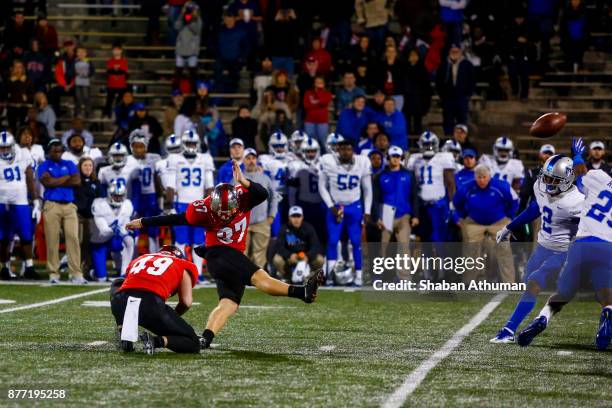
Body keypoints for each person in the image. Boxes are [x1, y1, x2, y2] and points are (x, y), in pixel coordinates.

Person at [125, 161, 323, 349]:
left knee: (229, 304)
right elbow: (174, 218)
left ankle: (206, 338)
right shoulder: (202, 209)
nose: (226, 215)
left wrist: (244, 180)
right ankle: (302, 292)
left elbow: (263, 193)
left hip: (222, 261)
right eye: (222, 211)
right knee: (259, 276)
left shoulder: (242, 196)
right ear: (212, 204)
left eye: (230, 211)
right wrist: (143, 222)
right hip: (220, 253)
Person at [517, 139, 612, 349]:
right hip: (607, 246)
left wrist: (577, 154)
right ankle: (608, 311)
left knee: (563, 295)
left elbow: (580, 173)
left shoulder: (600, 177)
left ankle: (542, 318)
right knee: (606, 293)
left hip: (582, 243)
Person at [491, 155, 584, 343]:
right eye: (546, 177)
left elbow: (585, 229)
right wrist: (509, 227)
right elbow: (535, 209)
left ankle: (510, 329)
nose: (547, 183)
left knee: (534, 282)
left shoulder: (577, 201)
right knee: (529, 283)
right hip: (542, 246)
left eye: (553, 180)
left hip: (562, 251)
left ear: (566, 180)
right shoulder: (540, 185)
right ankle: (523, 323)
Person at [110, 245, 201, 354]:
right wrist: (173, 317)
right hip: (150, 304)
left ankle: (123, 331)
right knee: (194, 343)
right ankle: (155, 341)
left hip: (120, 301)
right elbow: (186, 302)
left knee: (117, 283)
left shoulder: (140, 259)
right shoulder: (182, 264)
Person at [318, 139, 372, 286]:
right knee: (332, 241)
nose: (346, 152)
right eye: (342, 149)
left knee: (356, 242)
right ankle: (329, 275)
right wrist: (330, 206)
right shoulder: (328, 162)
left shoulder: (362, 162)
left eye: (348, 149)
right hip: (337, 207)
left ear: (353, 150)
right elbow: (321, 186)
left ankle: (359, 275)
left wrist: (367, 210)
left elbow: (367, 189)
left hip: (355, 206)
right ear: (338, 151)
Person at [453, 164, 517, 283]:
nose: (482, 180)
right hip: (474, 222)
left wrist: (509, 216)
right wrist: (463, 216)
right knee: (470, 252)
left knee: (504, 251)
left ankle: (509, 283)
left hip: (498, 221)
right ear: (475, 177)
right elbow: (456, 203)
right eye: (479, 177)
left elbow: (514, 200)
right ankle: (468, 283)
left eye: (484, 177)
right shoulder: (466, 187)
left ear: (489, 176)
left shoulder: (501, 185)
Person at [163, 131, 215, 277]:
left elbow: (209, 187)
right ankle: (181, 272)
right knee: (180, 240)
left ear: (197, 144)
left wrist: (209, 206)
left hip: (199, 205)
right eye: (188, 143)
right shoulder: (175, 159)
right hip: (181, 205)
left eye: (193, 143)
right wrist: (169, 206)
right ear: (183, 144)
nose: (191, 146)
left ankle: (197, 273)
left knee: (198, 241)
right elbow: (171, 186)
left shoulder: (205, 159)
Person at [38, 139, 85, 284]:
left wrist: (56, 180)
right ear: (49, 151)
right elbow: (47, 182)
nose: (57, 153)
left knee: (73, 238)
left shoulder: (69, 164)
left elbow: (77, 181)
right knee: (52, 240)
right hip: (52, 205)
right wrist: (66, 178)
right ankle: (53, 273)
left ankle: (76, 273)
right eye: (54, 151)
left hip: (69, 205)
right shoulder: (44, 165)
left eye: (59, 151)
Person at [0, 131, 40, 280]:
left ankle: (29, 267)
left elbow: (30, 177)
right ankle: (4, 267)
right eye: (1, 148)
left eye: (6, 147)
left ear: (13, 145)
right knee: (4, 237)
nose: (4, 150)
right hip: (2, 201)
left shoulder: (22, 153)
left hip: (21, 201)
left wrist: (35, 200)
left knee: (26, 235)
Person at [405, 131, 457, 244]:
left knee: (439, 238)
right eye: (426, 144)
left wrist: (452, 203)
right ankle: (427, 262)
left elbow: (450, 182)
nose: (429, 147)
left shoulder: (443, 158)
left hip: (438, 205)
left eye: (431, 144)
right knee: (425, 239)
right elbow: (411, 185)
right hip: (421, 205)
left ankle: (441, 261)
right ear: (420, 145)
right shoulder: (414, 159)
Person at [376, 146, 419, 245]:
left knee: (404, 249)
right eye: (393, 156)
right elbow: (376, 198)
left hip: (404, 214)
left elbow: (414, 196)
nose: (395, 159)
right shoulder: (380, 176)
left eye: (398, 156)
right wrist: (377, 217)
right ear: (388, 158)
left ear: (401, 158)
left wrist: (415, 215)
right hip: (385, 214)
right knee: (384, 248)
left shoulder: (409, 175)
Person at [242, 148, 278, 267]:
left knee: (260, 256)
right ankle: (243, 280)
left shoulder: (265, 178)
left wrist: (271, 215)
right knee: (242, 254)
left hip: (261, 221)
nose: (251, 161)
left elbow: (274, 197)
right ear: (243, 160)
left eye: (253, 158)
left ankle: (259, 281)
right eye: (248, 158)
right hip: (243, 222)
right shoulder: (237, 178)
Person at [128, 130, 162, 253]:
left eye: (141, 146)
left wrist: (160, 199)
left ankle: (154, 256)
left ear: (146, 147)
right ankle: (133, 258)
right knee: (133, 229)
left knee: (153, 229)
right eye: (135, 147)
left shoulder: (155, 158)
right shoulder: (127, 160)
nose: (138, 150)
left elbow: (158, 181)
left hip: (150, 198)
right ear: (131, 147)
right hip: (133, 198)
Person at [287, 137, 326, 243]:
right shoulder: (296, 166)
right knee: (303, 233)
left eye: (313, 151)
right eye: (308, 151)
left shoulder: (323, 164)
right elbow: (292, 191)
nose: (311, 154)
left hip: (320, 205)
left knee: (321, 233)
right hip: (304, 204)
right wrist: (292, 207)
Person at [273, 205, 324, 282]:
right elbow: (279, 246)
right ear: (289, 218)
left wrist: (308, 256)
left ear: (302, 217)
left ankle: (310, 276)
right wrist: (289, 255)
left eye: (298, 216)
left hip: (306, 257)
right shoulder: (284, 228)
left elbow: (315, 245)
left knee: (320, 259)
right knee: (277, 259)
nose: (296, 219)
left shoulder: (308, 228)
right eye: (293, 216)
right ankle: (287, 277)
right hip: (291, 257)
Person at [435, 45, 475, 136]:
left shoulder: (467, 65)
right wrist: (443, 96)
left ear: (460, 52)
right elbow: (439, 82)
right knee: (448, 123)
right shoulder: (444, 65)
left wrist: (467, 95)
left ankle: (462, 143)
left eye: (456, 52)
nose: (454, 54)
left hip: (462, 99)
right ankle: (448, 142)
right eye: (452, 52)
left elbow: (471, 81)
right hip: (448, 100)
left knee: (462, 123)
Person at [74, 157, 101, 277]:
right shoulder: (75, 182)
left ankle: (88, 268)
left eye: (90, 165)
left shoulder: (96, 182)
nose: (88, 168)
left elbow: (101, 200)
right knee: (78, 242)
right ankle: (76, 268)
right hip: (78, 216)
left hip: (92, 218)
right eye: (85, 165)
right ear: (80, 167)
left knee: (89, 243)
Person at [214, 10, 247, 93]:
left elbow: (246, 47)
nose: (229, 22)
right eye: (227, 20)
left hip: (235, 61)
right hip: (221, 60)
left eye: (231, 20)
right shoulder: (219, 31)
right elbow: (213, 45)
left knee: (233, 81)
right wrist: (218, 56)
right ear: (224, 20)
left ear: (234, 19)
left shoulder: (241, 32)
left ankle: (231, 97)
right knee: (219, 78)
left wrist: (241, 58)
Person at [402, 49, 432, 135]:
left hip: (418, 102)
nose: (413, 57)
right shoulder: (404, 69)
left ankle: (416, 145)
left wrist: (425, 104)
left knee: (417, 125)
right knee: (406, 124)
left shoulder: (423, 70)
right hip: (406, 102)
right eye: (411, 55)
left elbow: (427, 89)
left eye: (415, 55)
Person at [174, 1, 202, 86]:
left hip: (192, 51)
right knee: (178, 74)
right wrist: (182, 16)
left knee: (193, 75)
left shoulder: (198, 19)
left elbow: (197, 30)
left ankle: (194, 93)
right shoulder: (181, 18)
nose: (189, 10)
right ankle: (176, 92)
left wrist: (190, 20)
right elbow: (176, 27)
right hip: (181, 50)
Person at [303, 75, 332, 148]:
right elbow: (306, 106)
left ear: (324, 84)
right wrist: (318, 105)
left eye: (321, 82)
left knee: (323, 141)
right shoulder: (308, 93)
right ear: (314, 83)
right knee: (309, 142)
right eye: (317, 82)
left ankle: (324, 156)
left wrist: (319, 91)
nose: (319, 84)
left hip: (322, 121)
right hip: (309, 121)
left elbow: (324, 102)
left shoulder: (327, 93)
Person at [6, 60, 34, 133]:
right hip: (12, 106)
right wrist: (13, 81)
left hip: (24, 107)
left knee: (23, 125)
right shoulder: (8, 80)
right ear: (13, 68)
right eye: (16, 67)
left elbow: (31, 94)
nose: (18, 69)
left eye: (20, 67)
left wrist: (26, 97)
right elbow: (5, 93)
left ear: (23, 69)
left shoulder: (27, 80)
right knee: (12, 123)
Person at [50, 40, 77, 115]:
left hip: (74, 85)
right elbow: (58, 74)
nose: (68, 48)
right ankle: (56, 112)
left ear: (73, 46)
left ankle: (77, 113)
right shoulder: (60, 59)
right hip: (63, 85)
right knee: (53, 91)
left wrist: (71, 85)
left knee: (78, 91)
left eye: (70, 46)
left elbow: (78, 74)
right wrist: (64, 85)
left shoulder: (77, 58)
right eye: (66, 46)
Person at [104, 43, 129, 117]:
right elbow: (109, 71)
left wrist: (115, 71)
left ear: (121, 51)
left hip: (121, 85)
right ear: (112, 51)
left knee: (120, 102)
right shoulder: (109, 61)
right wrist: (118, 71)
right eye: (114, 50)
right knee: (109, 101)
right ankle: (108, 114)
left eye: (118, 50)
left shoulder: (124, 61)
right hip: (111, 84)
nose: (116, 51)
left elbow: (124, 72)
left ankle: (119, 115)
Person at [74, 46, 95, 118]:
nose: (81, 54)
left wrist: (87, 74)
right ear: (77, 53)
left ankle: (88, 112)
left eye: (83, 52)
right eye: (79, 52)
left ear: (86, 53)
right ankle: (78, 113)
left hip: (86, 83)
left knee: (86, 98)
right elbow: (73, 71)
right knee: (78, 98)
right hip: (77, 83)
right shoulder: (75, 61)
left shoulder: (88, 61)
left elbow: (92, 71)